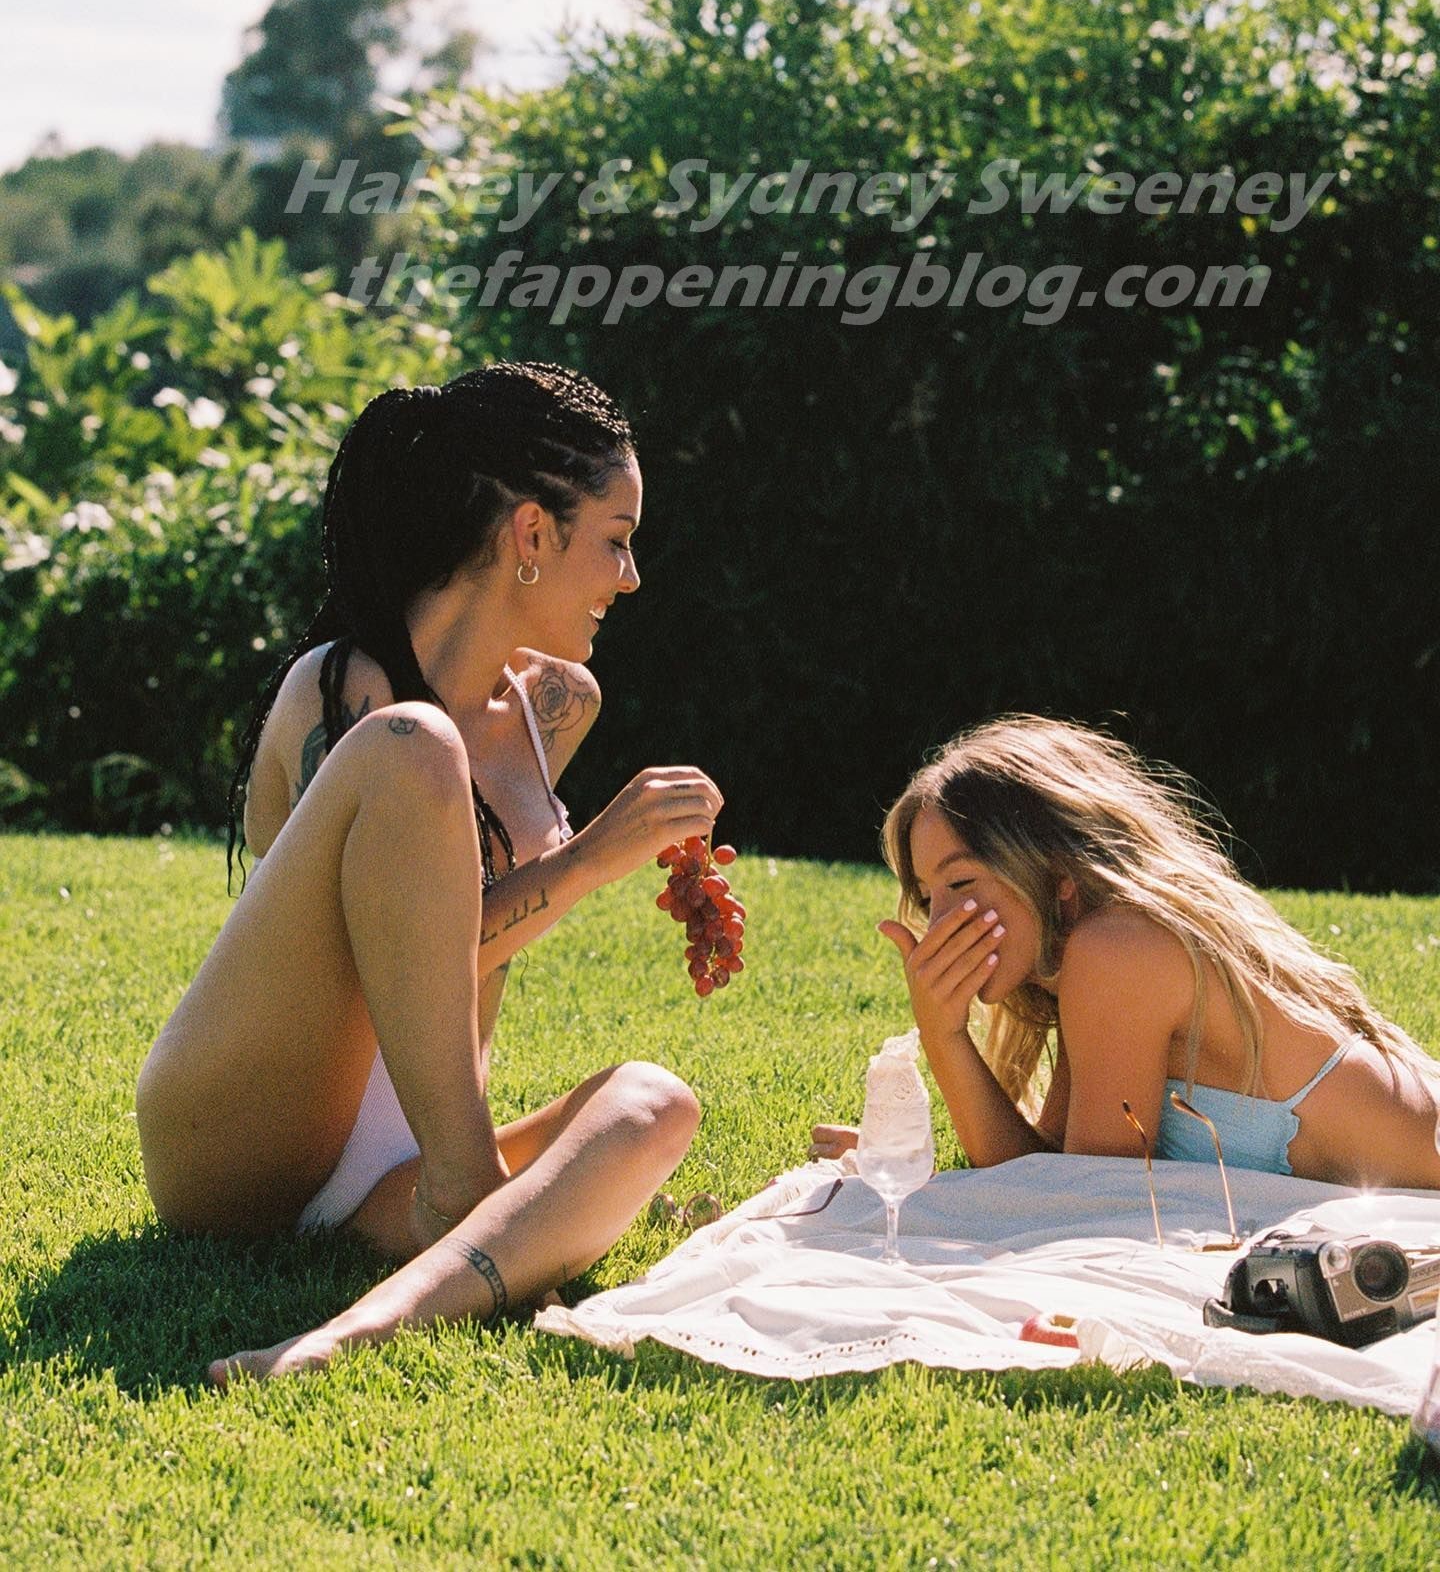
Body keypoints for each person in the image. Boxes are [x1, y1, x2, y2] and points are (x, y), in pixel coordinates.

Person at [135, 362, 721, 1385]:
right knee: (417, 744)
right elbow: (380, 969)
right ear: (531, 535)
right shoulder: (343, 696)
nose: (630, 576)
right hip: (250, 1132)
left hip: (398, 1162)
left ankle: (373, 1317)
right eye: (615, 539)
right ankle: (478, 1196)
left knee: (654, 1106)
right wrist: (589, 858)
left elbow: (452, 949)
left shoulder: (556, 708)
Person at [812, 716, 1440, 1190]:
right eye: (928, 897)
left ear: (1052, 869)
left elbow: (1084, 1201)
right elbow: (1049, 1169)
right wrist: (942, 1043)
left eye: (961, 882)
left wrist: (943, 1043)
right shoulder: (1092, 959)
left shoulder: (1117, 951)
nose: (939, 924)